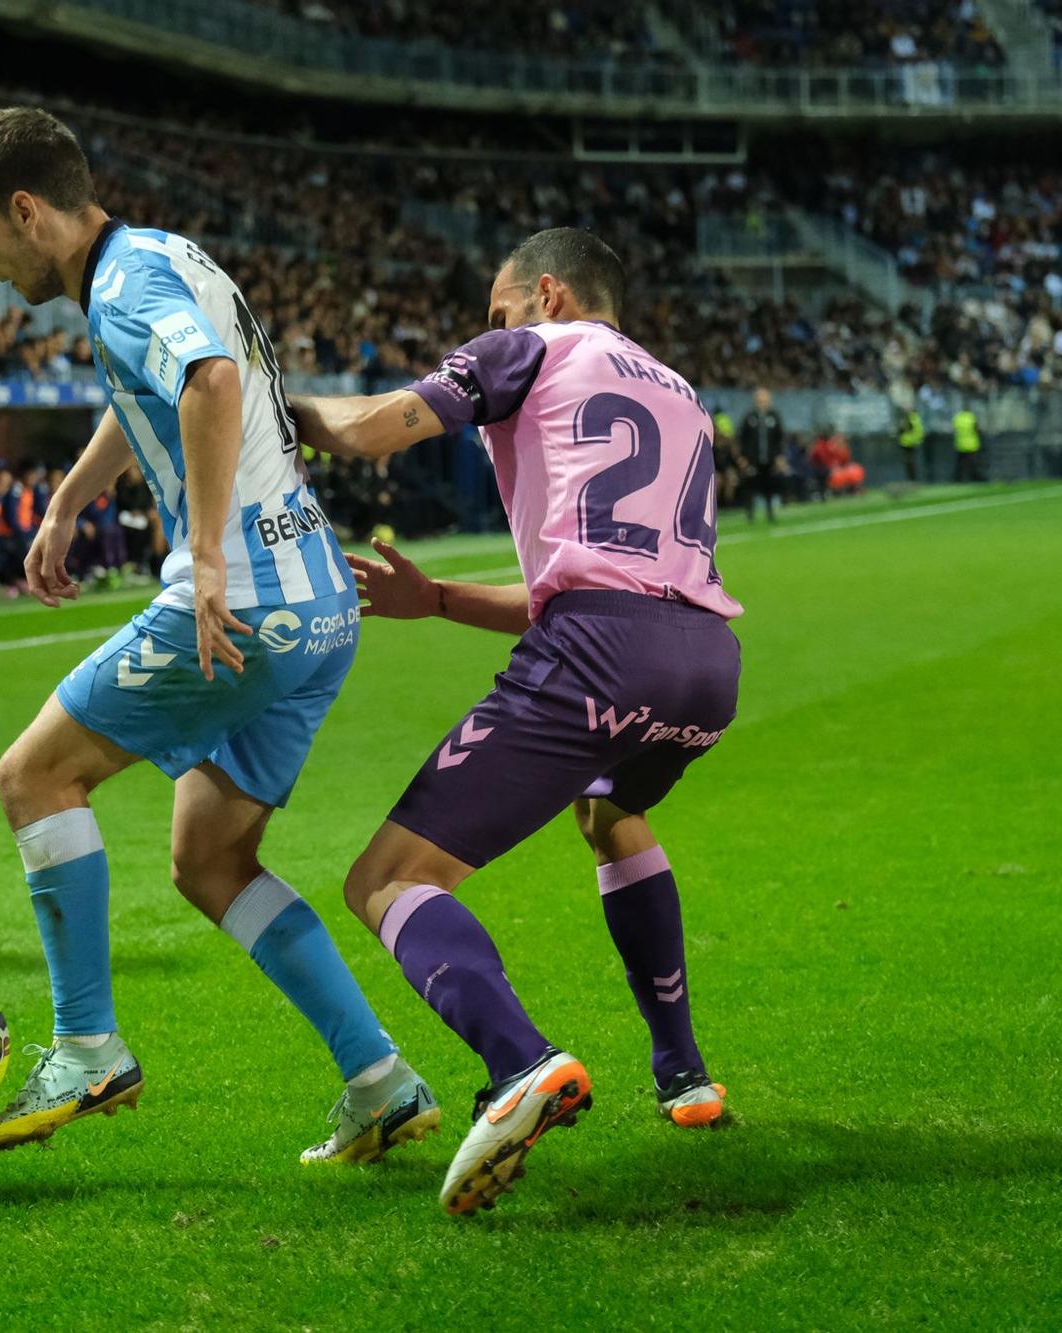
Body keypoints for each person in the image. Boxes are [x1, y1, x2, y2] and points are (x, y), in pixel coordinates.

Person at [0, 107, 437, 1162]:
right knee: (210, 857)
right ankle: (380, 1079)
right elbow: (160, 385)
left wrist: (204, 556)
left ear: (27, 212)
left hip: (243, 605)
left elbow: (207, 382)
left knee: (32, 777)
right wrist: (70, 500)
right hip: (318, 610)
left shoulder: (121, 289)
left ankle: (85, 1047)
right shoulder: (159, 256)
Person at [291, 228, 743, 1216]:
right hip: (705, 664)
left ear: (543, 293)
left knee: (385, 879)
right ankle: (684, 1076)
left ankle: (518, 1063)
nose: (486, 331)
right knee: (610, 812)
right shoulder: (678, 392)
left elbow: (372, 429)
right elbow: (606, 571)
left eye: (494, 311)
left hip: (600, 653)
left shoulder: (534, 346)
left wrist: (262, 408)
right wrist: (439, 599)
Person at [738, 386, 784, 522]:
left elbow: (779, 438)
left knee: (769, 486)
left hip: (770, 458)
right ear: (755, 400)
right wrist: (743, 457)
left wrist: (779, 456)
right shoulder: (749, 417)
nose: (762, 402)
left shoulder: (774, 417)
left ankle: (770, 513)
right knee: (750, 486)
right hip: (752, 459)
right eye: (760, 399)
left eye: (765, 399)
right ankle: (749, 514)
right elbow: (742, 438)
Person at [952, 405, 983, 482]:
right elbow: (977, 429)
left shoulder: (957, 418)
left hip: (960, 444)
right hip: (971, 444)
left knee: (961, 463)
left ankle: (960, 478)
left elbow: (954, 429)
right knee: (973, 463)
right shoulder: (971, 417)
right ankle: (974, 478)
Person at [897, 402, 925, 482]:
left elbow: (905, 428)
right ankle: (912, 480)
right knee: (910, 463)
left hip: (909, 443)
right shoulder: (916, 418)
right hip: (912, 442)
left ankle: (912, 480)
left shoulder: (910, 419)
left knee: (910, 462)